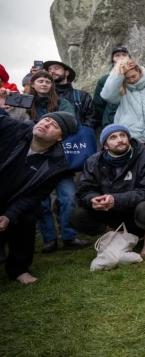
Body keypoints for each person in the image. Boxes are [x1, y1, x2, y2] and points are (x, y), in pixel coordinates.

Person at [3, 72, 90, 252]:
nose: (44, 84)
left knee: (67, 196)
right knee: (40, 201)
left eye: (47, 81)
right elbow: (12, 121)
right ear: (32, 84)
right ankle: (49, 238)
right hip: (32, 153)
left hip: (60, 158)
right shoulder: (23, 101)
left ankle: (69, 236)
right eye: (39, 80)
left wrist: (51, 125)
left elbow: (69, 122)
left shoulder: (61, 101)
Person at [0, 108, 78, 283]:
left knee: (28, 214)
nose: (46, 124)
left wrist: (8, 216)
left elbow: (34, 195)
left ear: (60, 138)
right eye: (46, 120)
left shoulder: (57, 165)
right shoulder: (11, 127)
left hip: (11, 202)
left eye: (54, 125)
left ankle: (19, 269)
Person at [70, 125, 145, 257]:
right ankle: (116, 236)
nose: (120, 140)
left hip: (139, 214)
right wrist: (94, 200)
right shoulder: (93, 162)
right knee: (77, 216)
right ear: (105, 145)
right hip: (110, 215)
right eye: (113, 137)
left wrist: (115, 199)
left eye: (123, 135)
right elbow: (84, 191)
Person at [100, 57, 145, 158]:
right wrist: (118, 74)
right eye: (127, 78)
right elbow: (106, 95)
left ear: (140, 71)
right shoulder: (122, 89)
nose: (131, 80)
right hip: (129, 138)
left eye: (134, 76)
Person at [44, 61, 96, 128]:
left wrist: (81, 131)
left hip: (77, 135)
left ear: (66, 73)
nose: (52, 71)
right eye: (49, 70)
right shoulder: (45, 95)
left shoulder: (82, 95)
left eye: (56, 68)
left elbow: (92, 118)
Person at [94, 46, 129, 128]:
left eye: (124, 55)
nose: (121, 57)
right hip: (112, 120)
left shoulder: (136, 77)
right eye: (117, 55)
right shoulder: (104, 80)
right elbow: (98, 104)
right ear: (113, 61)